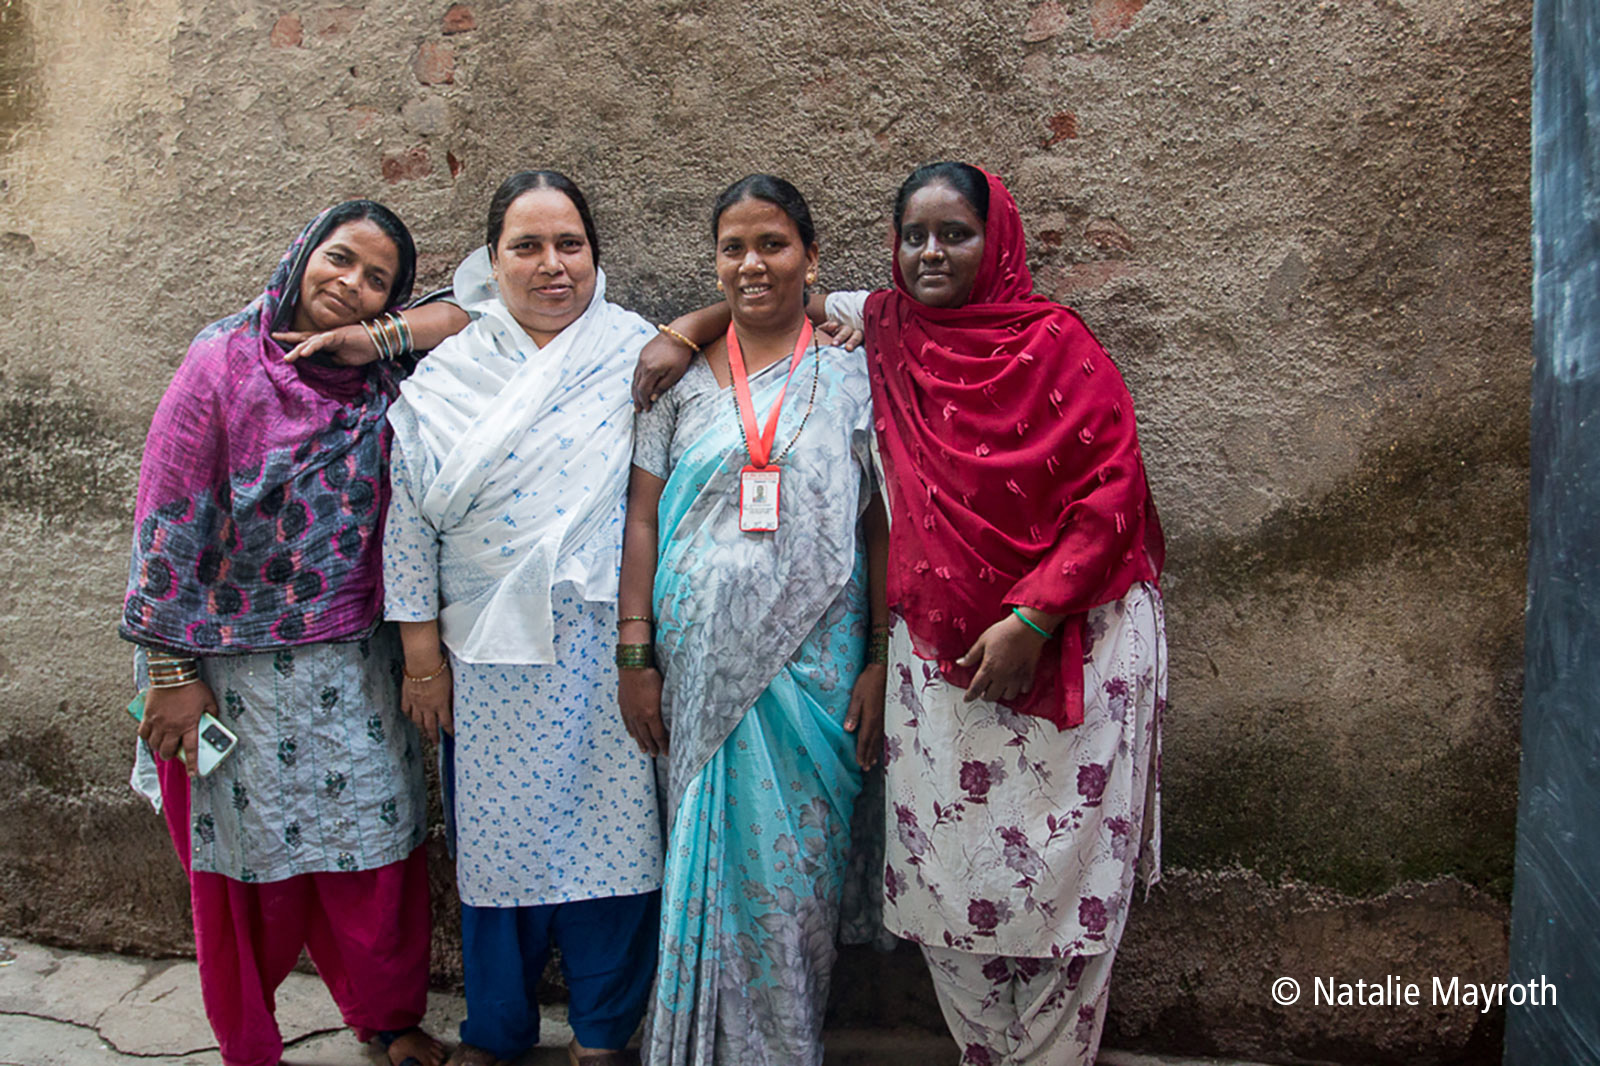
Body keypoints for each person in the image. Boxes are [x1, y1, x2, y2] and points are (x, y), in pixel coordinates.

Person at [381, 170, 726, 1066]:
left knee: (616, 848)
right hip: (487, 657)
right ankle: (497, 1033)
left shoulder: (634, 355)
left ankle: (605, 1036)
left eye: (568, 244)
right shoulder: (449, 373)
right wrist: (424, 659)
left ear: (595, 255)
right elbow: (410, 519)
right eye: (525, 247)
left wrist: (689, 327)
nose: (550, 265)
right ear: (490, 261)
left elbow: (742, 312)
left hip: (607, 648)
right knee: (498, 855)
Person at [123, 200, 468, 1066]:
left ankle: (386, 1019)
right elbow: (166, 518)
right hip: (223, 670)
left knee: (376, 855)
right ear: (302, 254)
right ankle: (248, 1041)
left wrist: (378, 340)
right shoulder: (222, 364)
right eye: (339, 260)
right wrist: (170, 673)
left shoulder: (386, 379)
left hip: (356, 663)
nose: (349, 285)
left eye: (377, 281)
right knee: (241, 873)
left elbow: (485, 309)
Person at [616, 174, 889, 1066]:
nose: (752, 263)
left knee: (793, 876)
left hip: (816, 671)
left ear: (811, 258)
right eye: (732, 247)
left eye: (772, 244)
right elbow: (643, 518)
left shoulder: (855, 370)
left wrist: (881, 656)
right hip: (696, 669)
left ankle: (784, 1046)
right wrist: (635, 653)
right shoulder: (681, 378)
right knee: (706, 857)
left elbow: (883, 523)